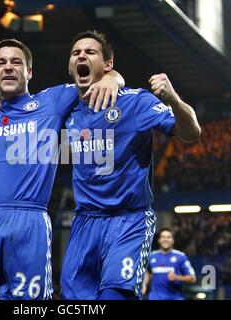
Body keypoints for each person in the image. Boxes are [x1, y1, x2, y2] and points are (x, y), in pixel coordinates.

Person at [0, 38, 124, 300]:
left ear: (29, 72)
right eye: (1, 63)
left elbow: (97, 75)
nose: (8, 67)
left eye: (17, 62)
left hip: (28, 223)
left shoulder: (51, 101)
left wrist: (111, 79)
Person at [59, 30, 201, 300]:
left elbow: (191, 132)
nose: (81, 56)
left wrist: (173, 99)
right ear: (70, 66)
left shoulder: (135, 101)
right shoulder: (64, 106)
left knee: (115, 295)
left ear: (108, 64)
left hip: (129, 220)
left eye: (90, 52)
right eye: (76, 52)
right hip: (84, 222)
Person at [142, 228, 197, 300]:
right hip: (155, 297)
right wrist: (144, 284)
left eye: (168, 237)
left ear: (173, 240)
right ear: (159, 240)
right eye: (163, 237)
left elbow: (193, 278)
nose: (165, 239)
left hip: (175, 297)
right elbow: (148, 272)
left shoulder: (180, 256)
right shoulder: (151, 256)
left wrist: (177, 277)